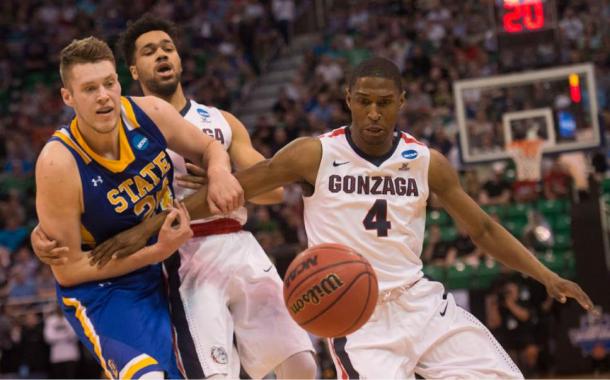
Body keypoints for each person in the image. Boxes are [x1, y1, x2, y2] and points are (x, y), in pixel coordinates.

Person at [80, 57, 596, 378]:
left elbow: (482, 229)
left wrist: (546, 276)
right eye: (365, 102)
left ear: (401, 103)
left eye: (385, 103)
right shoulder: (313, 155)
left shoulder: (426, 162)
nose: (374, 113)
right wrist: (149, 226)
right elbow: (233, 189)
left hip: (421, 302)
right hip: (355, 317)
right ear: (348, 99)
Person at [33, 15, 316, 379]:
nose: (162, 56)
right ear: (134, 70)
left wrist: (221, 173)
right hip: (169, 260)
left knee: (302, 365)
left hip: (209, 247)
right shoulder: (71, 153)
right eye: (149, 51)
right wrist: (39, 233)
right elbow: (70, 257)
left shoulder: (211, 120)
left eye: (168, 48)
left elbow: (272, 187)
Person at [34, 36, 243, 379]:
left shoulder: (149, 112)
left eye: (109, 83)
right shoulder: (58, 162)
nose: (103, 95)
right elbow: (68, 271)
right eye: (89, 89)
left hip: (168, 264)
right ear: (67, 97)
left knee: (210, 370)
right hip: (105, 289)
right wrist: (156, 251)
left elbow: (210, 148)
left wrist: (219, 172)